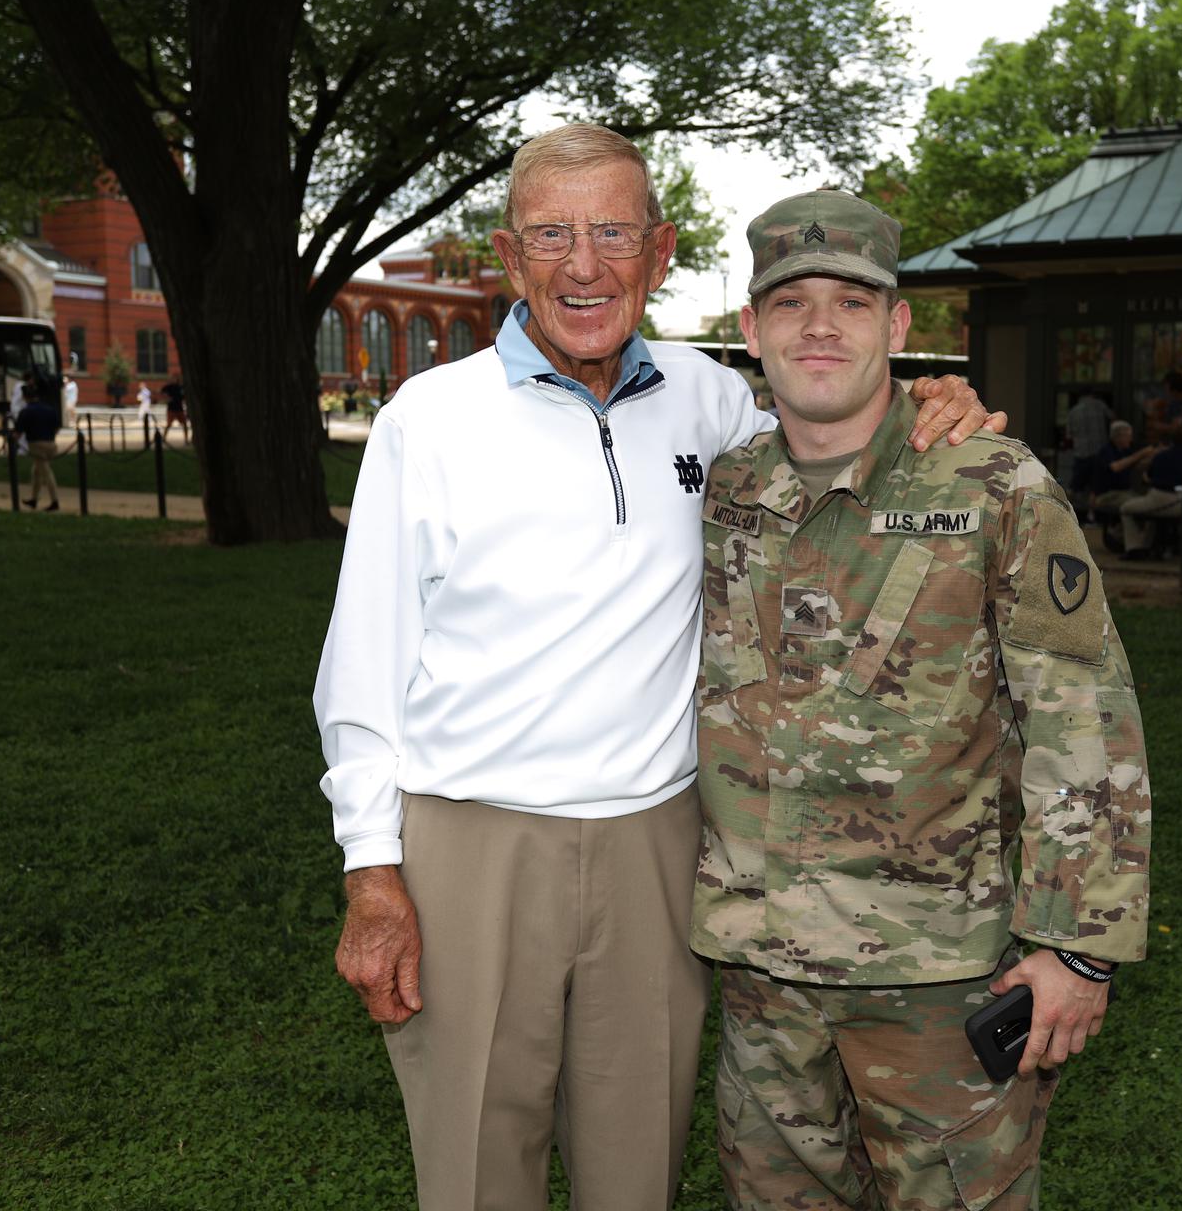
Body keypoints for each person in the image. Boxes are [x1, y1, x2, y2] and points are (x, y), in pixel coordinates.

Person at [312, 126, 1001, 1211]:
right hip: (471, 840)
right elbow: (362, 665)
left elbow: (836, 440)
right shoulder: (429, 421)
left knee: (636, 1168)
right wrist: (372, 869)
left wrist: (933, 412)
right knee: (475, 1166)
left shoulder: (711, 400)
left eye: (613, 233)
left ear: (661, 250)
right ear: (508, 257)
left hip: (661, 844)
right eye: (552, 234)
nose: (583, 264)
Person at [692, 186, 1149, 1211]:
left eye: (851, 302)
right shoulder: (729, 489)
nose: (819, 324)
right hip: (764, 975)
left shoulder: (994, 486)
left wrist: (1078, 944)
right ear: (751, 328)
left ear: (897, 325)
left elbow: (1085, 718)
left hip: (940, 978)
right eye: (790, 300)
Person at [1115, 425, 1182, 555]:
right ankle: (1149, 545)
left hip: (1158, 499)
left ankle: (1135, 547)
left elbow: (1149, 478)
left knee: (1125, 509)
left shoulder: (1161, 456)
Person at [1065, 389, 1113, 520]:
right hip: (1099, 451)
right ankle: (1092, 515)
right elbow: (1112, 418)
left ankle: (1066, 513)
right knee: (1095, 486)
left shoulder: (1073, 411)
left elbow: (1068, 435)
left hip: (1081, 452)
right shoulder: (1100, 405)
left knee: (1074, 485)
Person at [16, 395, 63, 512]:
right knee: (36, 472)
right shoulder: (50, 409)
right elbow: (57, 427)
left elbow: (18, 433)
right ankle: (34, 499)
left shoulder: (26, 411)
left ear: (25, 397)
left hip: (36, 445)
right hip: (51, 444)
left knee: (46, 473)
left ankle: (55, 501)